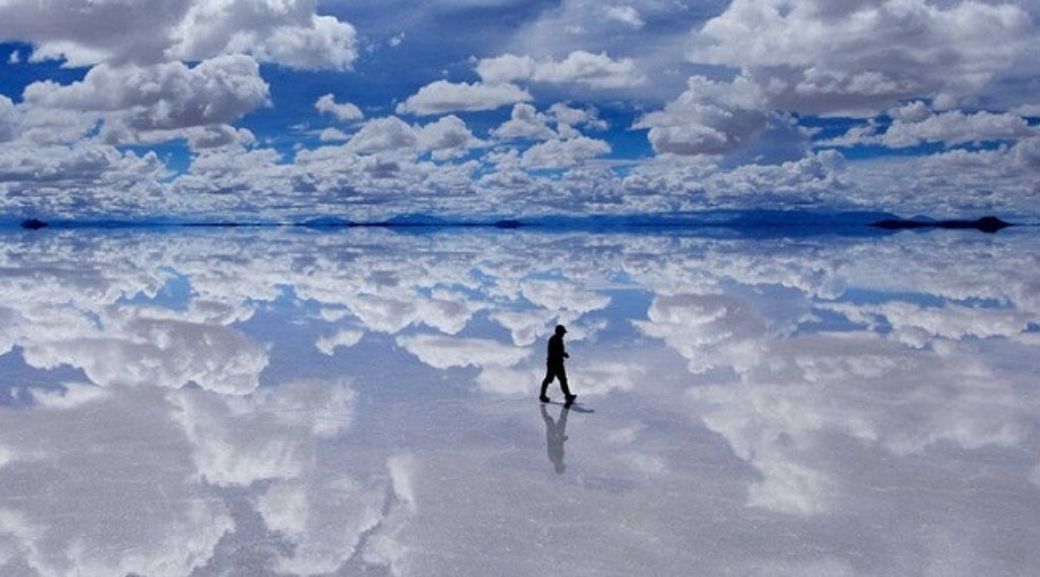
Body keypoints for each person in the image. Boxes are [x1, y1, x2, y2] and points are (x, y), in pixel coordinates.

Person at [539, 324, 576, 404]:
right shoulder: (556, 339)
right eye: (563, 332)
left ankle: (568, 395)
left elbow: (558, 351)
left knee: (562, 380)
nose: (564, 334)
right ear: (559, 332)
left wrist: (563, 354)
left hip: (557, 363)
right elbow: (556, 352)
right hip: (554, 363)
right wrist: (564, 354)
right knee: (549, 379)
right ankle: (542, 396)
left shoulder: (557, 339)